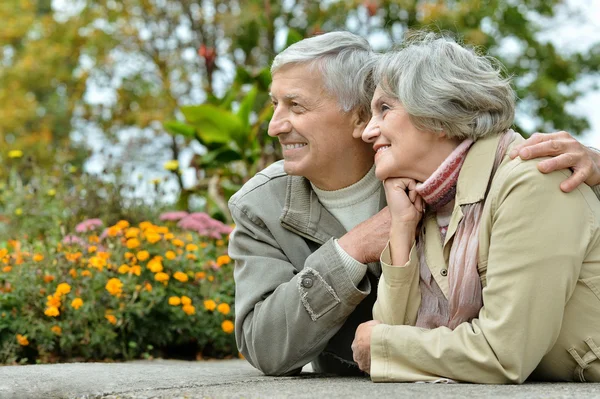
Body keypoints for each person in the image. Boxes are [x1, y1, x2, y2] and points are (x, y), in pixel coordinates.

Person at [228, 31, 600, 377]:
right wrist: (363, 246)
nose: (274, 126)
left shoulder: (447, 179)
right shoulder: (422, 188)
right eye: (275, 104)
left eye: (295, 105)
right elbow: (265, 345)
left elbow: (501, 350)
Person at [351, 32, 600, 383]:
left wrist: (382, 345)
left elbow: (503, 353)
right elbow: (398, 333)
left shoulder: (532, 180)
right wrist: (402, 228)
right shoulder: (431, 201)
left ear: (437, 114)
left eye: (385, 109)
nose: (367, 132)